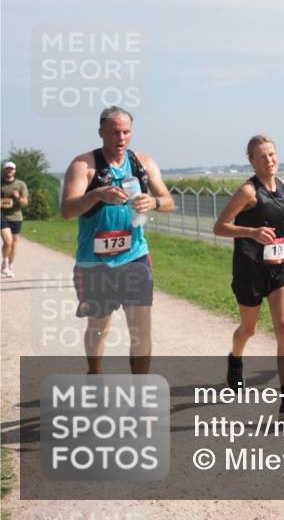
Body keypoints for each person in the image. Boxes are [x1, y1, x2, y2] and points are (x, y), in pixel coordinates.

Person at [60, 106, 174, 374]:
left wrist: (154, 201)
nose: (120, 138)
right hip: (95, 262)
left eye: (126, 132)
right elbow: (67, 210)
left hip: (134, 257)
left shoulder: (143, 163)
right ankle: (95, 373)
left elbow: (169, 201)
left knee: (141, 328)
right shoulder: (83, 166)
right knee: (99, 325)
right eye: (114, 132)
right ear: (101, 132)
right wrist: (97, 195)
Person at [213, 135, 284, 420]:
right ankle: (236, 357)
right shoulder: (247, 192)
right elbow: (220, 226)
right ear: (252, 161)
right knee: (249, 329)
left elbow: (277, 214)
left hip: (281, 265)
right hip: (250, 268)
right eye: (262, 156)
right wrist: (251, 233)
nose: (269, 159)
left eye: (272, 154)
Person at [2, 161, 29, 278]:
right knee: (7, 241)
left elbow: (25, 203)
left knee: (13, 244)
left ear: (15, 171)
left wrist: (18, 197)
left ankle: (10, 264)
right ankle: (5, 263)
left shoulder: (20, 184)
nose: (9, 171)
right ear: (4, 170)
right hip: (2, 216)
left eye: (11, 169)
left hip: (16, 217)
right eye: (7, 169)